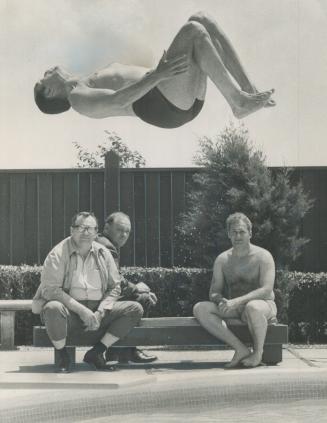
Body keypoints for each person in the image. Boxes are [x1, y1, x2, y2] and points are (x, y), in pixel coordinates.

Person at [34, 11, 275, 129]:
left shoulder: (86, 79)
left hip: (170, 95)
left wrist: (159, 75)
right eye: (44, 80)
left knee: (202, 21)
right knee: (192, 29)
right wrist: (158, 75)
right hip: (159, 105)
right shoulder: (78, 97)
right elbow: (119, 100)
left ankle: (247, 90)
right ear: (50, 93)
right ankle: (238, 103)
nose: (47, 71)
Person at [32, 211, 144, 373]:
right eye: (81, 228)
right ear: (72, 230)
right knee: (52, 308)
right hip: (70, 313)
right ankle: (62, 354)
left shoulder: (103, 253)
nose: (86, 232)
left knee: (134, 308)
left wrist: (100, 311)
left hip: (98, 312)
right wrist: (82, 311)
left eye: (90, 229)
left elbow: (115, 287)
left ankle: (97, 352)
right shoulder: (57, 254)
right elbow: (51, 291)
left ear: (96, 231)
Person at [193, 212, 277, 368]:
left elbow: (266, 290)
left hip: (263, 306)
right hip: (236, 308)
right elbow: (214, 291)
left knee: (253, 307)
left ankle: (258, 354)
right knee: (200, 308)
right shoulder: (223, 259)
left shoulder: (263, 256)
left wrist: (235, 301)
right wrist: (220, 300)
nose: (238, 236)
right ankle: (241, 349)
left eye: (242, 232)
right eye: (234, 232)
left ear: (250, 233)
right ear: (228, 235)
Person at [97, 212, 158, 363]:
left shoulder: (102, 241)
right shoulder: (107, 246)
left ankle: (118, 352)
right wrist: (136, 288)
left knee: (139, 297)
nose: (124, 235)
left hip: (95, 298)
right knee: (143, 299)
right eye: (119, 230)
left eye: (127, 231)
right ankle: (128, 350)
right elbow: (115, 281)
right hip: (98, 303)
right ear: (106, 227)